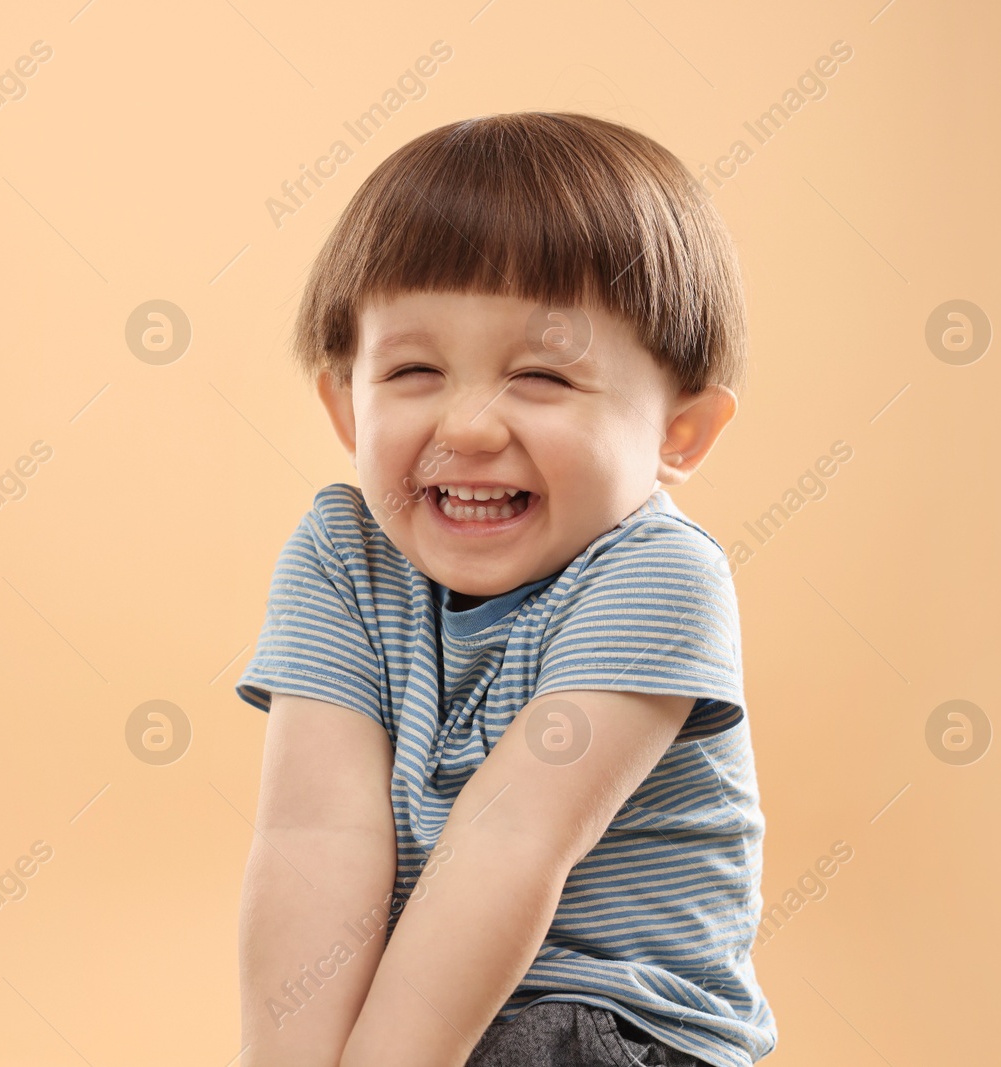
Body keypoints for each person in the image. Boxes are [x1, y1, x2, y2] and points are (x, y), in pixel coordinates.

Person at [234, 111, 774, 1067]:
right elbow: (312, 833)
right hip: (427, 1016)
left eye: (540, 376)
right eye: (412, 369)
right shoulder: (340, 555)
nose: (471, 426)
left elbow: (512, 841)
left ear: (678, 433)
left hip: (616, 1028)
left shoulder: (658, 572)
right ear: (346, 403)